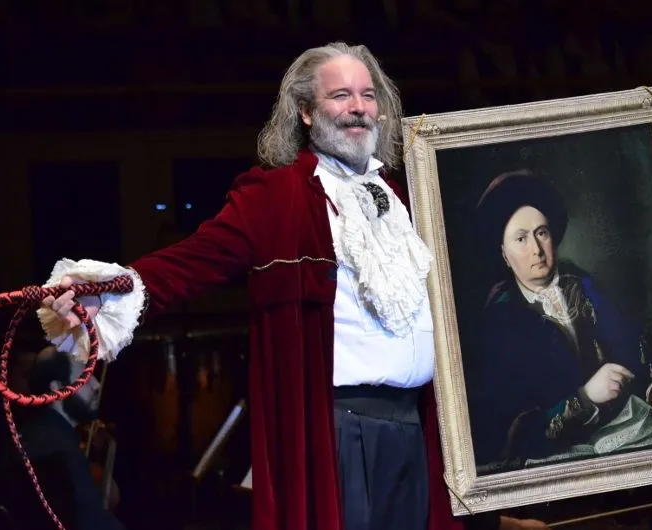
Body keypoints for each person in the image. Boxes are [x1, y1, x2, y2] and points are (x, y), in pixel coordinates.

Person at [35, 43, 547, 530]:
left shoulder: (401, 198)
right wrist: (100, 291)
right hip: (344, 431)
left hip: (415, 426)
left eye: (368, 96)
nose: (358, 108)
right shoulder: (276, 197)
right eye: (340, 95)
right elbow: (191, 262)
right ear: (306, 112)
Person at [467, 170, 652, 473]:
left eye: (541, 233)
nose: (536, 249)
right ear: (504, 254)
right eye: (521, 239)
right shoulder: (501, 320)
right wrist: (584, 399)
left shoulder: (582, 284)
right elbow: (512, 430)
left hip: (618, 428)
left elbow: (628, 345)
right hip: (556, 456)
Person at [0, 341, 124, 530]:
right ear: (58, 388)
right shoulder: (59, 450)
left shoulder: (36, 435)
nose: (96, 384)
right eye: (84, 377)